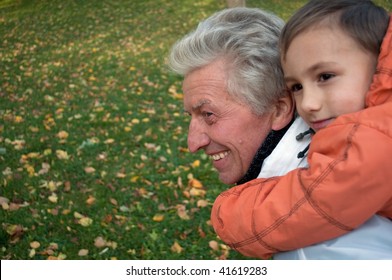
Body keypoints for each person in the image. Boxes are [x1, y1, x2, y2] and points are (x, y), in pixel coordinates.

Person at [168, 6, 392, 260]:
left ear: (279, 109)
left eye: (208, 114)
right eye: (297, 86)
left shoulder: (310, 246)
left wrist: (232, 213)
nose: (193, 142)